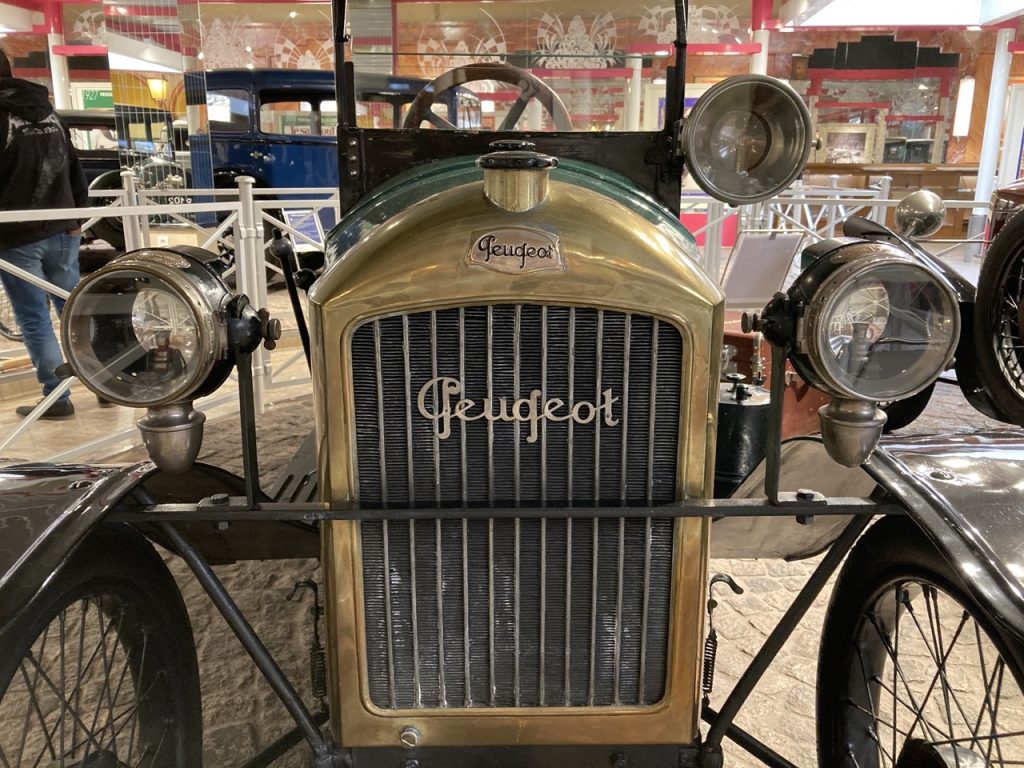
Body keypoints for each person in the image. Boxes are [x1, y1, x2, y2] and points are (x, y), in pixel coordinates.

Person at [0, 47, 88, 419]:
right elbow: (74, 165)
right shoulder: (49, 111)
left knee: (35, 319)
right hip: (65, 229)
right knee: (76, 310)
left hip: (17, 236)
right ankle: (107, 381)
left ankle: (57, 398)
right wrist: (78, 217)